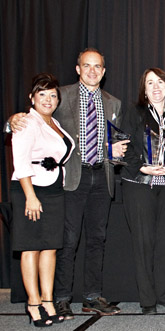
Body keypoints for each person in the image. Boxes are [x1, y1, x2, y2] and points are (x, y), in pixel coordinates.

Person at [8, 48, 126, 318]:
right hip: (72, 178)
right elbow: (34, 117)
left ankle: (92, 296)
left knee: (97, 239)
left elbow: (113, 141)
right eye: (87, 65)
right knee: (67, 241)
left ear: (104, 72)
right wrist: (10, 121)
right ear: (78, 69)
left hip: (103, 175)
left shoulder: (114, 103)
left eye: (98, 66)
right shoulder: (59, 96)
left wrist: (115, 151)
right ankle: (60, 298)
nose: (92, 71)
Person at [11, 73, 73, 327]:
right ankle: (33, 303)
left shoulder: (54, 123)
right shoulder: (26, 122)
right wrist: (30, 197)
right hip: (31, 190)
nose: (48, 99)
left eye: (52, 95)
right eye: (42, 94)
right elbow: (21, 161)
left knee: (50, 247)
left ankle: (48, 300)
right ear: (32, 97)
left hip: (55, 190)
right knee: (30, 248)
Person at [120, 68, 165, 314]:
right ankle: (148, 300)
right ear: (144, 90)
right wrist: (142, 168)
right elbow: (123, 147)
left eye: (160, 82)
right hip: (139, 186)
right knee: (144, 243)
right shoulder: (134, 113)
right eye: (150, 83)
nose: (156, 87)